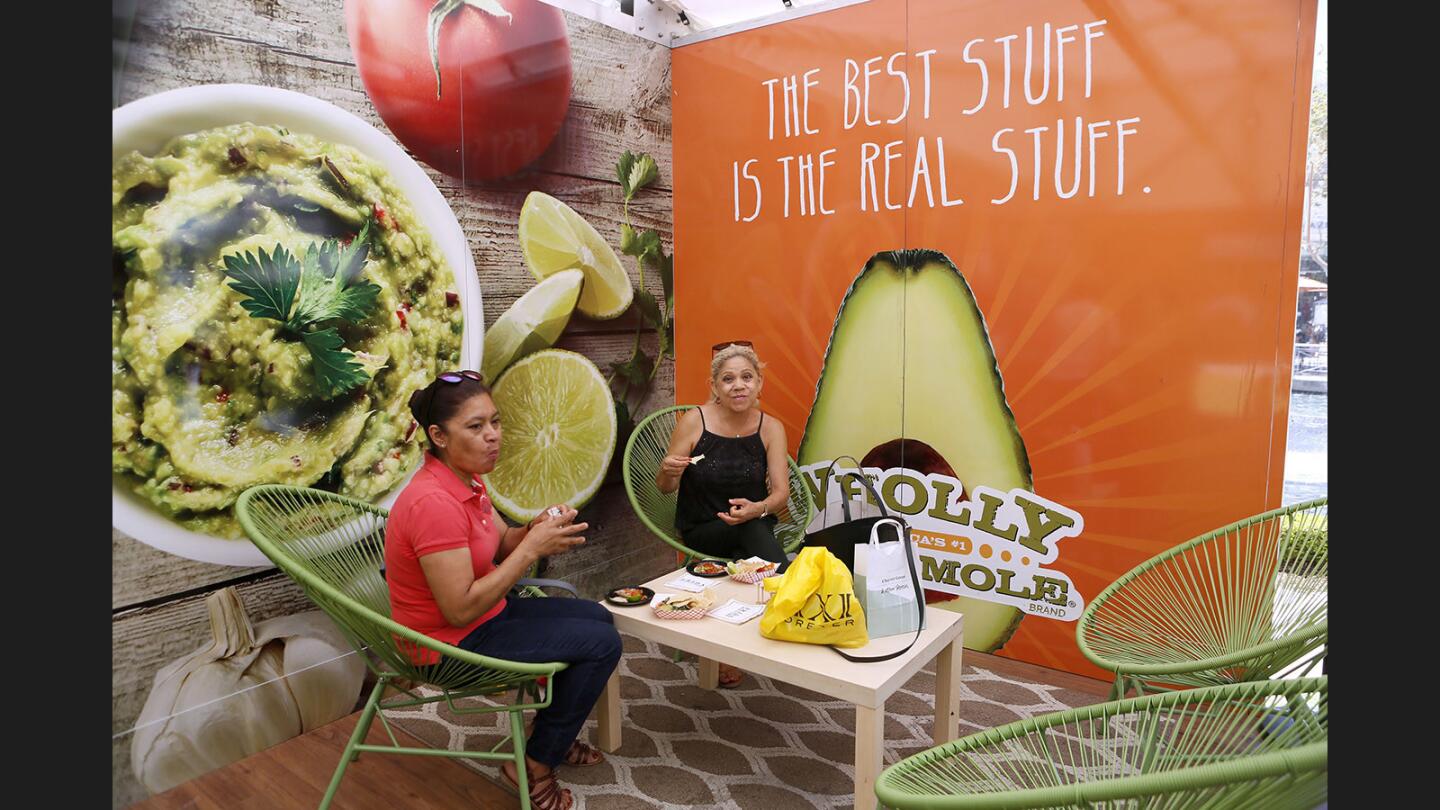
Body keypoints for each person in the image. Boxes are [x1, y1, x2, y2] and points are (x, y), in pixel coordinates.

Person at [386, 370, 620, 810]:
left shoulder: (466, 481)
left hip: (485, 617)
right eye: (476, 427)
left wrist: (534, 528)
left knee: (598, 617)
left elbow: (500, 541)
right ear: (438, 435)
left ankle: (548, 734)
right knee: (602, 643)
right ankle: (531, 766)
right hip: (447, 645)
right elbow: (458, 609)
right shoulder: (432, 503)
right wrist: (532, 549)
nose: (493, 436)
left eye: (495, 421)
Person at [656, 341, 790, 687]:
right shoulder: (694, 421)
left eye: (747, 377)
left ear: (759, 383)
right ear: (714, 387)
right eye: (728, 379)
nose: (739, 385)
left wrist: (756, 509)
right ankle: (794, 605)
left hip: (754, 521)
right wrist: (670, 471)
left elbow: (779, 495)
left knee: (751, 535)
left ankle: (730, 645)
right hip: (703, 527)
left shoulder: (770, 428)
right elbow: (664, 488)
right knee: (754, 540)